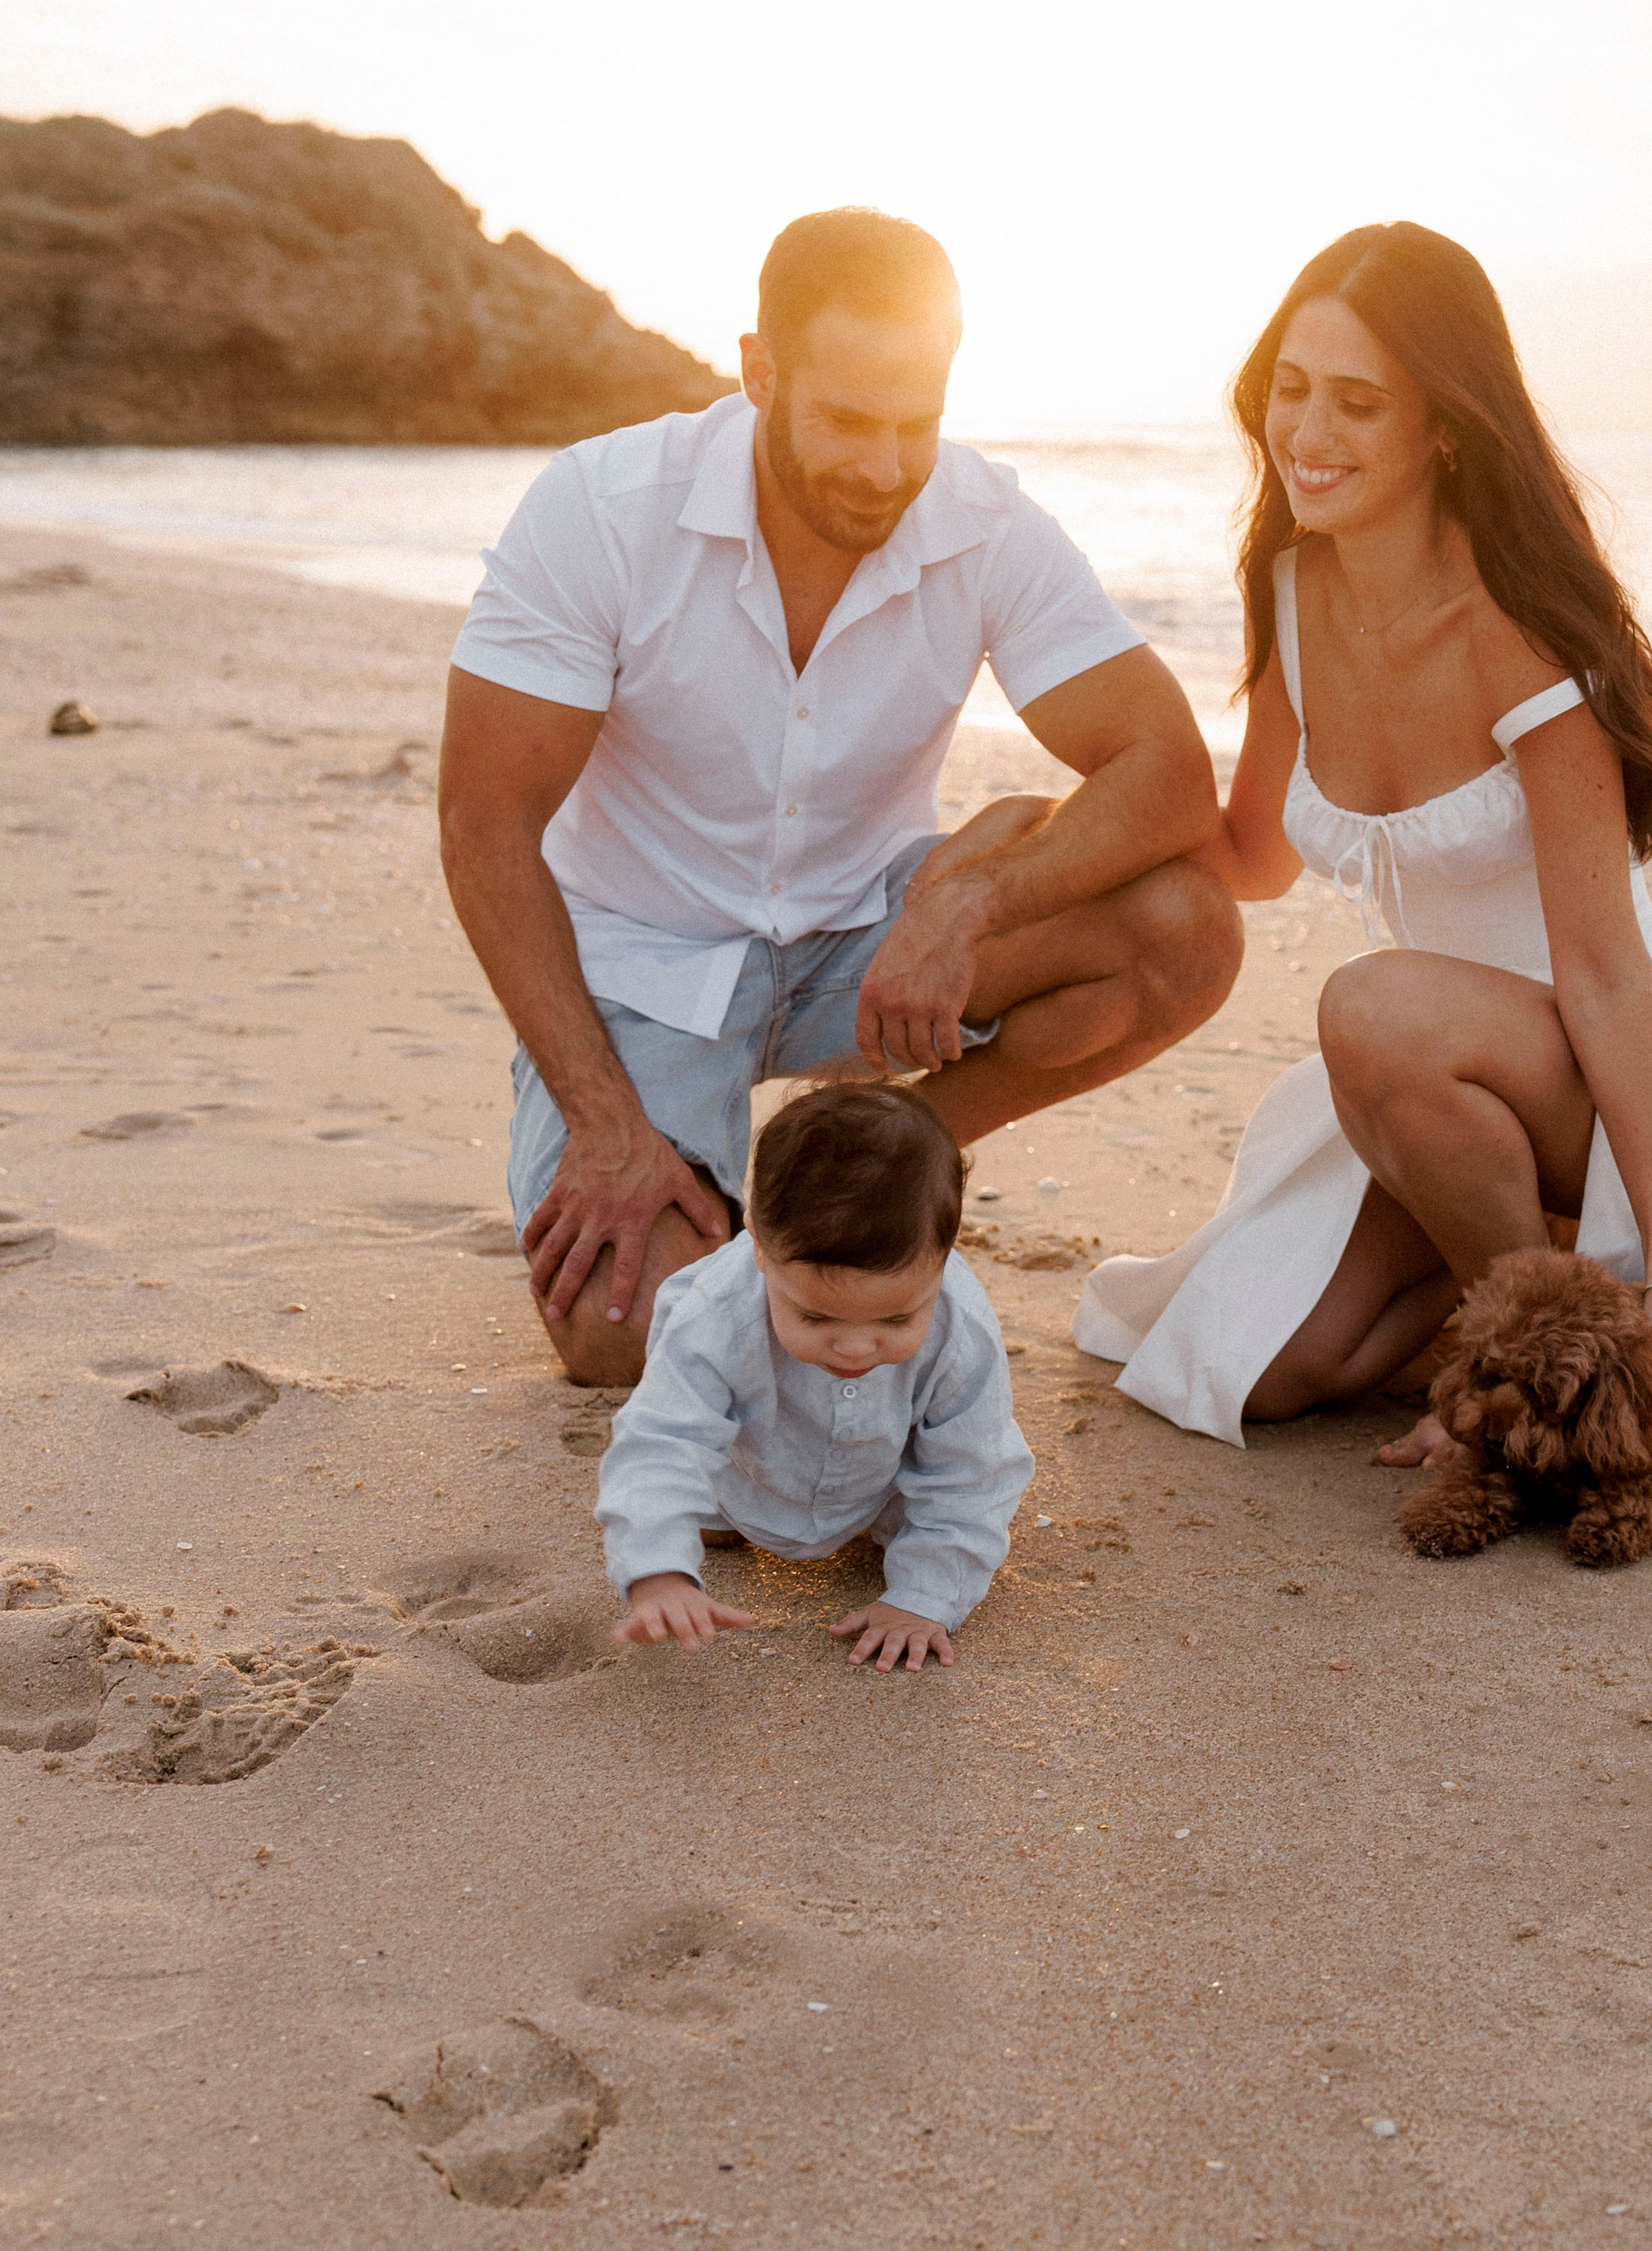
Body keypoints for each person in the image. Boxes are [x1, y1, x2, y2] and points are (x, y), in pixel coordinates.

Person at [1075, 221, 1652, 1476]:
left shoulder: (1523, 636)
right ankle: (1547, 1259)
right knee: (1286, 1369)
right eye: (1290, 390)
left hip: (1615, 1068)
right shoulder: (1293, 592)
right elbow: (1251, 854)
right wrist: (1067, 849)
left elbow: (1605, 971)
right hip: (1436, 1093)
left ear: (1446, 426)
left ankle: (1555, 1348)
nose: (1307, 433)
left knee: (1367, 1005)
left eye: (1358, 403)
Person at [440, 206, 1242, 1386]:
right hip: (647, 970)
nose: (884, 467)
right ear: (759, 372)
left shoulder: (983, 522)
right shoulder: (602, 509)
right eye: (848, 421)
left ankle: (891, 1152)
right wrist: (609, 1131)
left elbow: (1169, 772)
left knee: (1186, 929)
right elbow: (484, 824)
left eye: (916, 424)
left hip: (865, 948)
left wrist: (958, 911)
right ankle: (678, 1147)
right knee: (629, 1335)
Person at [599, 1083, 1031, 1674]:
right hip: (743, 1474)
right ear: (758, 1245)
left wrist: (924, 1596)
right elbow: (663, 1437)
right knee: (691, 1506)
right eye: (816, 1316)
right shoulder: (716, 1314)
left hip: (886, 1483)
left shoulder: (962, 1328)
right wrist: (658, 1570)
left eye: (898, 1317)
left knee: (939, 1510)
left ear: (944, 1256)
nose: (856, 1346)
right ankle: (720, 1515)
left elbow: (973, 1468)